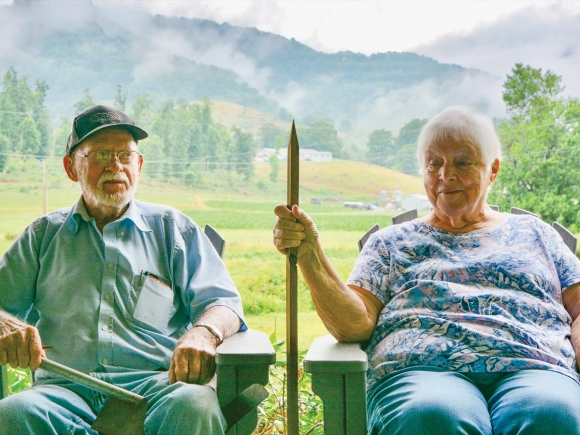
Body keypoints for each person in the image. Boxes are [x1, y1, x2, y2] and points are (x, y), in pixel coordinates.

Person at [273, 105, 580, 435]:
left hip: (536, 366)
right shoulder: (390, 243)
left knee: (550, 414)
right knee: (435, 415)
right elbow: (354, 324)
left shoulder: (536, 234)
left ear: (493, 170)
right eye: (434, 163)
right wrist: (310, 255)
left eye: (462, 163)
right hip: (422, 368)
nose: (446, 175)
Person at [0, 105, 246, 435]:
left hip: (157, 391)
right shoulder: (43, 236)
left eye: (125, 155)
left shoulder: (173, 230)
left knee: (194, 405)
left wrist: (204, 332)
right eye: (101, 155)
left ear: (139, 165)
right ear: (71, 167)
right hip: (62, 394)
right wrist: (5, 323)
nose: (115, 166)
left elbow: (224, 303)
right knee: (13, 413)